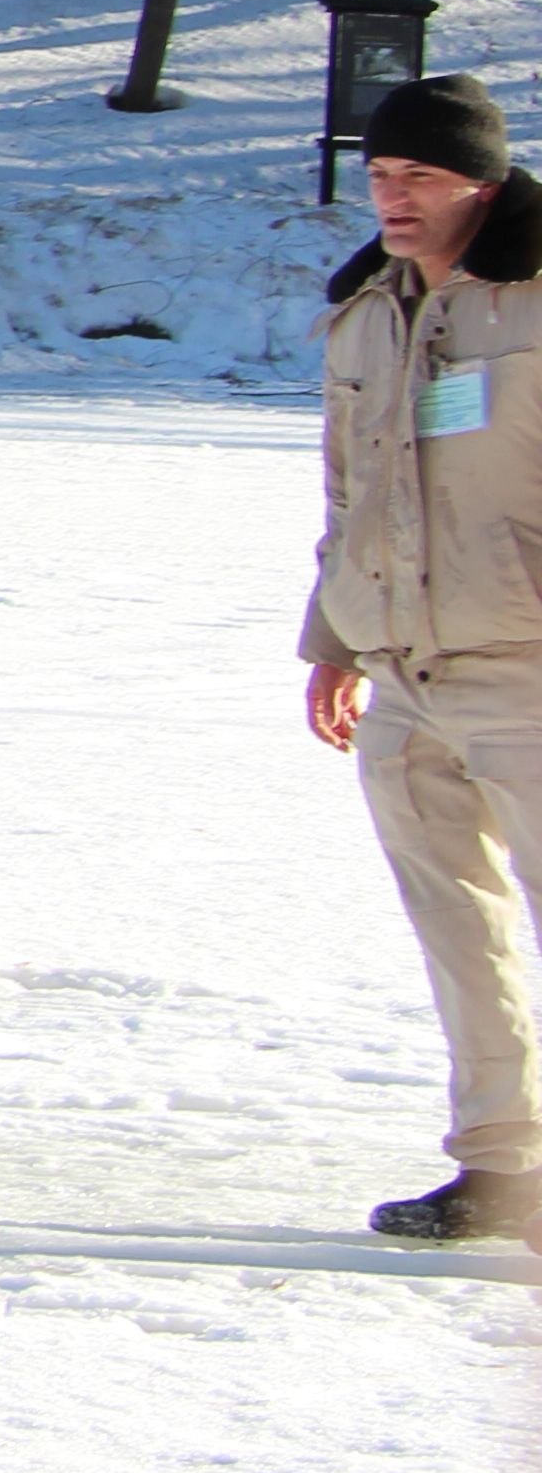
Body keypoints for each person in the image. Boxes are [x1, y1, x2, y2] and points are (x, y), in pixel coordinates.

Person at [297, 74, 542, 1246]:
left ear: (481, 186)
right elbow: (352, 493)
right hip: (403, 673)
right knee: (461, 931)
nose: (393, 198)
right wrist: (334, 640)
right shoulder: (365, 314)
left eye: (422, 179)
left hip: (529, 666)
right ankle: (502, 1167)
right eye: (383, 177)